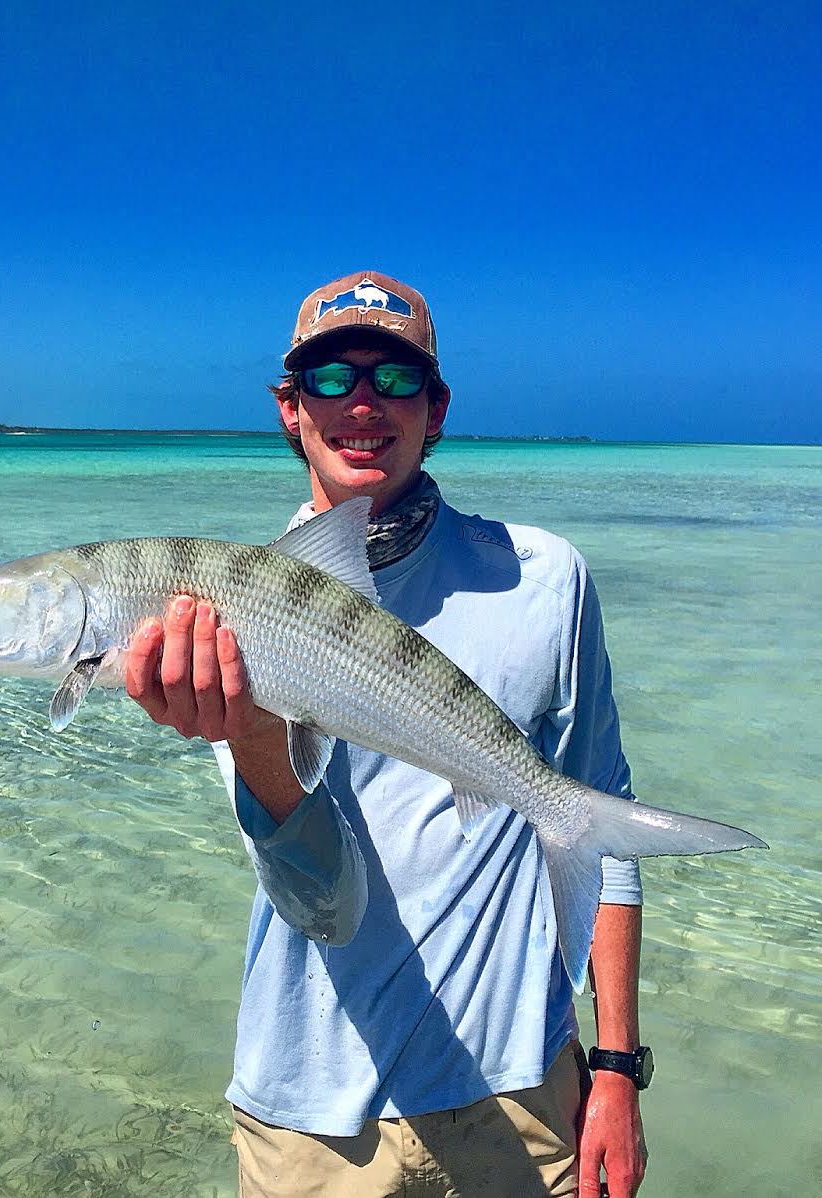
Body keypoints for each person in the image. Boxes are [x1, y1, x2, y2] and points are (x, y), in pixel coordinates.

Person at [124, 271, 650, 1197]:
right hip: (313, 1119)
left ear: (436, 407)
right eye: (330, 378)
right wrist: (252, 739)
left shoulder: (543, 580)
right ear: (290, 408)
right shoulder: (223, 616)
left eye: (395, 378)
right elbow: (323, 905)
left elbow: (603, 830)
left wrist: (614, 1070)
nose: (362, 402)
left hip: (523, 1097)